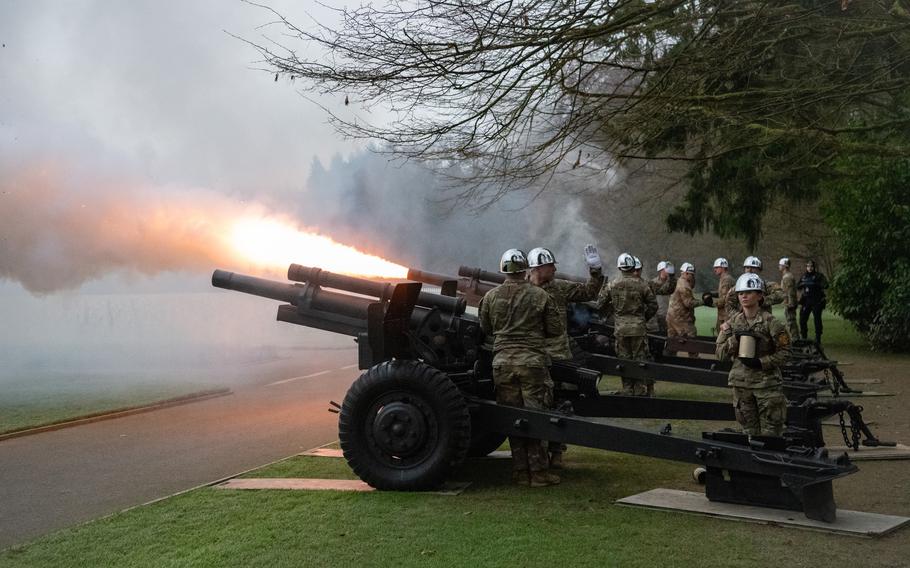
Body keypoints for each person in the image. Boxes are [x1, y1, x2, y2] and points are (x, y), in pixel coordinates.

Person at [479, 248, 563, 487]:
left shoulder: (491, 297)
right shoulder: (539, 296)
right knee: (536, 416)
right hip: (532, 363)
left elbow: (484, 328)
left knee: (513, 418)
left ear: (503, 270)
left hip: (503, 364)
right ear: (526, 269)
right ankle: (538, 473)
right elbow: (555, 329)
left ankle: (519, 472)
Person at [528, 244, 604, 469]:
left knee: (563, 402)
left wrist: (596, 270)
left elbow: (589, 292)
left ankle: (557, 452)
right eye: (550, 265)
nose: (553, 268)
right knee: (538, 403)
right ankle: (537, 455)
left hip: (560, 353)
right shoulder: (522, 290)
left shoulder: (559, 287)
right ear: (538, 267)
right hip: (535, 354)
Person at [716, 273, 791, 437]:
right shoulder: (732, 324)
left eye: (749, 292)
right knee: (749, 434)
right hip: (742, 387)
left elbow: (786, 352)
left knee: (771, 436)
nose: (744, 296)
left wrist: (762, 362)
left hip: (767, 387)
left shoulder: (772, 323)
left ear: (759, 296)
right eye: (741, 293)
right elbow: (720, 355)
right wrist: (734, 341)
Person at [597, 253, 658, 396]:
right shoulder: (642, 284)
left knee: (624, 360)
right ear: (632, 267)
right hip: (638, 328)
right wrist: (643, 318)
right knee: (640, 360)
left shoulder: (612, 284)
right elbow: (653, 305)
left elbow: (600, 304)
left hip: (621, 329)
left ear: (620, 267)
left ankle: (627, 389)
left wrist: (613, 311)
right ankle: (640, 389)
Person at [666, 262, 702, 357]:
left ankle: (669, 362)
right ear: (686, 273)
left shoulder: (678, 281)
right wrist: (703, 302)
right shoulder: (684, 285)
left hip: (671, 317)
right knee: (692, 337)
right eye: (691, 275)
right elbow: (689, 303)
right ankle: (695, 362)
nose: (692, 277)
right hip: (681, 318)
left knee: (672, 343)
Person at [798, 260, 828, 345]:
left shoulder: (819, 276)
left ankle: (818, 338)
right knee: (802, 319)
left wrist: (815, 284)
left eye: (811, 266)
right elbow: (798, 286)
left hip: (817, 301)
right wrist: (803, 284)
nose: (809, 268)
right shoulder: (804, 276)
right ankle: (804, 338)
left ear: (814, 267)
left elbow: (826, 285)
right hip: (806, 301)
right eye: (808, 266)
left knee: (817, 320)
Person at [647, 260, 677, 335]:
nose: (667, 271)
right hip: (659, 315)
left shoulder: (674, 283)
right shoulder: (653, 283)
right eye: (665, 269)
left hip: (672, 315)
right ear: (661, 270)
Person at [712, 258, 735, 334]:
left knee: (724, 337)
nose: (714, 270)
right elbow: (722, 293)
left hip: (727, 315)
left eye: (716, 267)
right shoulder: (723, 278)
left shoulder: (726, 280)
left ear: (723, 268)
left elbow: (725, 299)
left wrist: (711, 303)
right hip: (722, 314)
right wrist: (711, 294)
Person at [778, 257, 799, 339]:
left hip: (789, 304)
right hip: (788, 303)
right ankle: (794, 339)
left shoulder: (787, 277)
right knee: (790, 322)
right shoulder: (787, 276)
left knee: (791, 322)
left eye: (780, 265)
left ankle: (795, 340)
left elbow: (790, 291)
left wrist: (790, 303)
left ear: (785, 266)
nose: (779, 267)